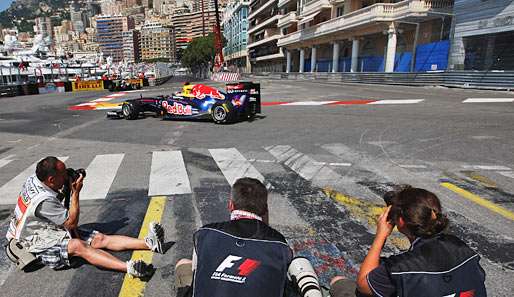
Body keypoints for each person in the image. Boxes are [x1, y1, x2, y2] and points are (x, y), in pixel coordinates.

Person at [5, 156, 165, 278]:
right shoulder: (43, 200)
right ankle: (129, 268)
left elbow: (58, 207)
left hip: (47, 226)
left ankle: (150, 243)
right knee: (77, 246)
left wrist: (65, 186)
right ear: (51, 179)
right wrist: (75, 193)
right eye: (63, 174)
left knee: (99, 238)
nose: (66, 176)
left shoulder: (36, 179)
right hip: (34, 241)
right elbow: (71, 223)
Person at [331, 186, 487, 297]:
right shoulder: (462, 248)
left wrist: (381, 235)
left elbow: (364, 284)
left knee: (340, 284)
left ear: (400, 221)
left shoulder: (400, 267)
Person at [175, 177, 293, 297]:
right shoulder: (279, 244)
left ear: (231, 205)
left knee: (183, 264)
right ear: (265, 209)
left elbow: (197, 273)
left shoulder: (205, 234)